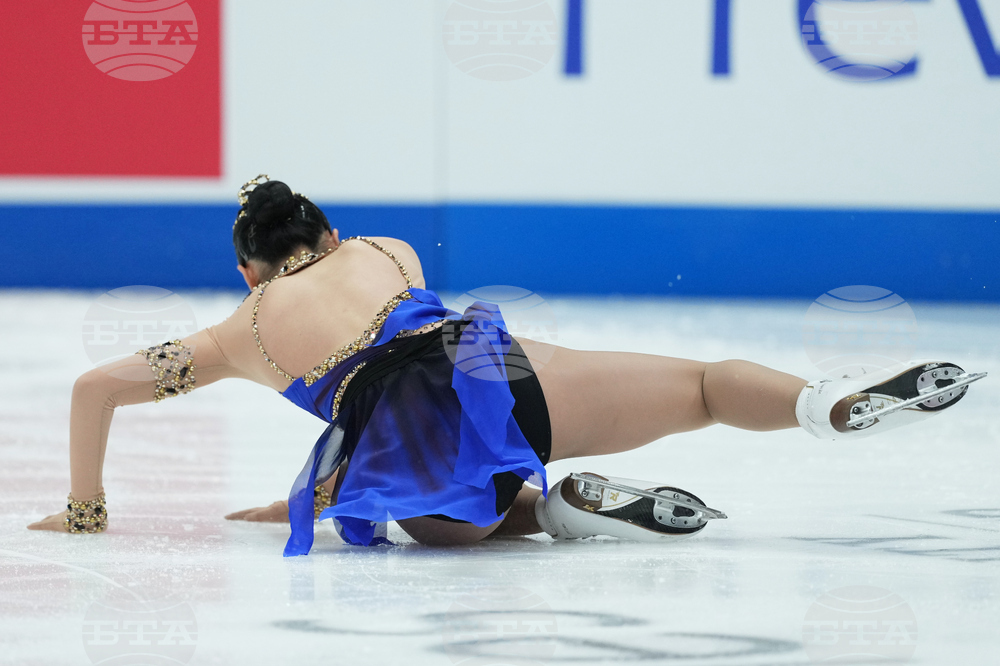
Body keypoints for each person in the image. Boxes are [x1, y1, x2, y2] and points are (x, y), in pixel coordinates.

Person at [26, 176, 986, 554]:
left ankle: (562, 506)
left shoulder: (237, 332)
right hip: (495, 371)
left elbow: (92, 388)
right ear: (323, 229)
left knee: (463, 524)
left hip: (406, 461)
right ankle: (831, 401)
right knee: (698, 386)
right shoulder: (385, 249)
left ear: (245, 266)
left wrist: (85, 511)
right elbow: (410, 352)